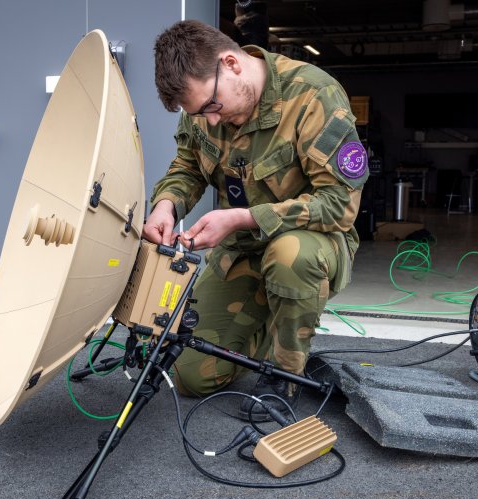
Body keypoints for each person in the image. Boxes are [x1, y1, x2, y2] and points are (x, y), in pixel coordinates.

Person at [144, 20, 368, 420]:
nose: (210, 120)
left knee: (289, 255)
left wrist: (243, 217)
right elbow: (188, 168)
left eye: (212, 106)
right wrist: (166, 205)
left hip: (312, 244)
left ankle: (286, 375)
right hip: (244, 249)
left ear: (231, 63)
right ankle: (275, 322)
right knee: (194, 377)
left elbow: (339, 205)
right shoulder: (203, 106)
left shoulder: (314, 95)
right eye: (199, 113)